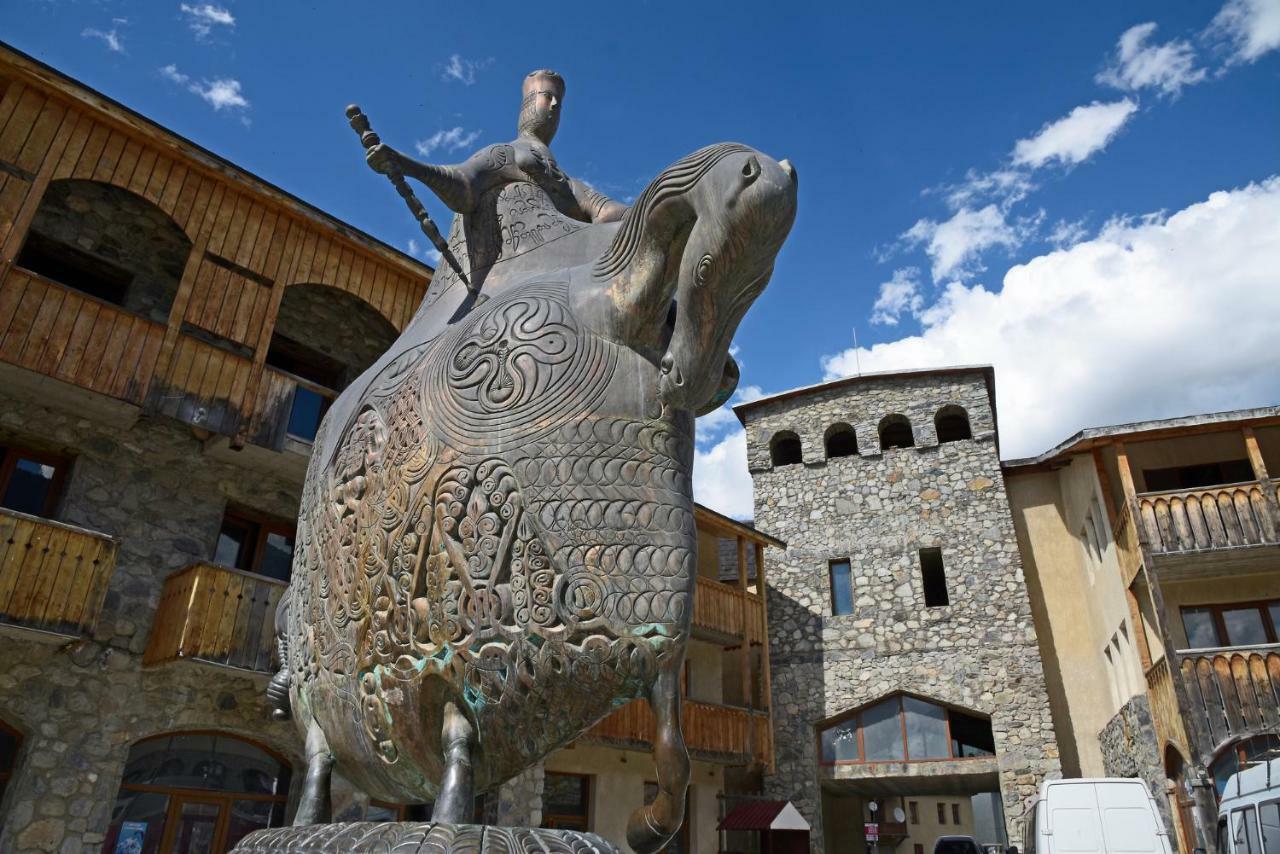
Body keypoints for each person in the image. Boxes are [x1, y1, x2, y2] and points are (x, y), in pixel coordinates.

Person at [365, 69, 628, 226]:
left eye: (558, 101)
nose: (554, 106)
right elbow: (464, 185)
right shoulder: (505, 153)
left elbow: (613, 213)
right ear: (527, 105)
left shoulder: (572, 185)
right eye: (547, 97)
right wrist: (403, 163)